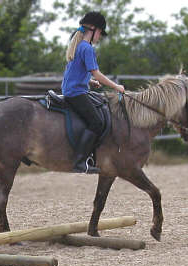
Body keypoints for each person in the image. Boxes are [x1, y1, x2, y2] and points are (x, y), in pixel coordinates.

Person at [61, 11, 125, 174]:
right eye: (100, 33)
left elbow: (73, 72)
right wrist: (116, 86)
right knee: (96, 122)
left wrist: (89, 81)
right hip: (76, 93)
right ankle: (80, 161)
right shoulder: (87, 48)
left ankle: (91, 155)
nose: (100, 37)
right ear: (93, 29)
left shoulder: (77, 45)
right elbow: (96, 72)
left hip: (72, 89)